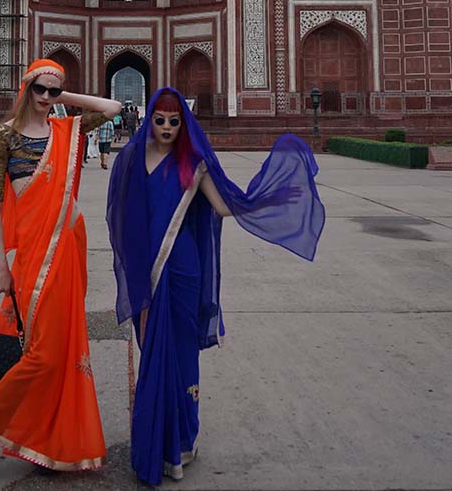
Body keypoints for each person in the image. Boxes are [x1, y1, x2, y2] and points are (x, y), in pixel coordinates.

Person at [106, 87, 325, 487]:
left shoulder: (195, 163)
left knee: (182, 355)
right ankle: (156, 442)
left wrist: (273, 195)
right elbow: (118, 217)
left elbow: (225, 207)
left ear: (184, 123)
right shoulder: (130, 160)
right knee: (153, 353)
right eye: (160, 120)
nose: (168, 127)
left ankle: (179, 445)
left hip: (184, 269)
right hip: (148, 274)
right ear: (149, 120)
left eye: (175, 121)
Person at [0, 58, 121, 481]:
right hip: (31, 254)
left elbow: (113, 108)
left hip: (67, 246)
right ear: (25, 89)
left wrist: (65, 95)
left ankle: (44, 443)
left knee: (58, 354)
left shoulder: (67, 130)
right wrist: (0, 263)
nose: (44, 99)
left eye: (51, 92)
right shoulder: (3, 136)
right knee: (39, 355)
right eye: (38, 90)